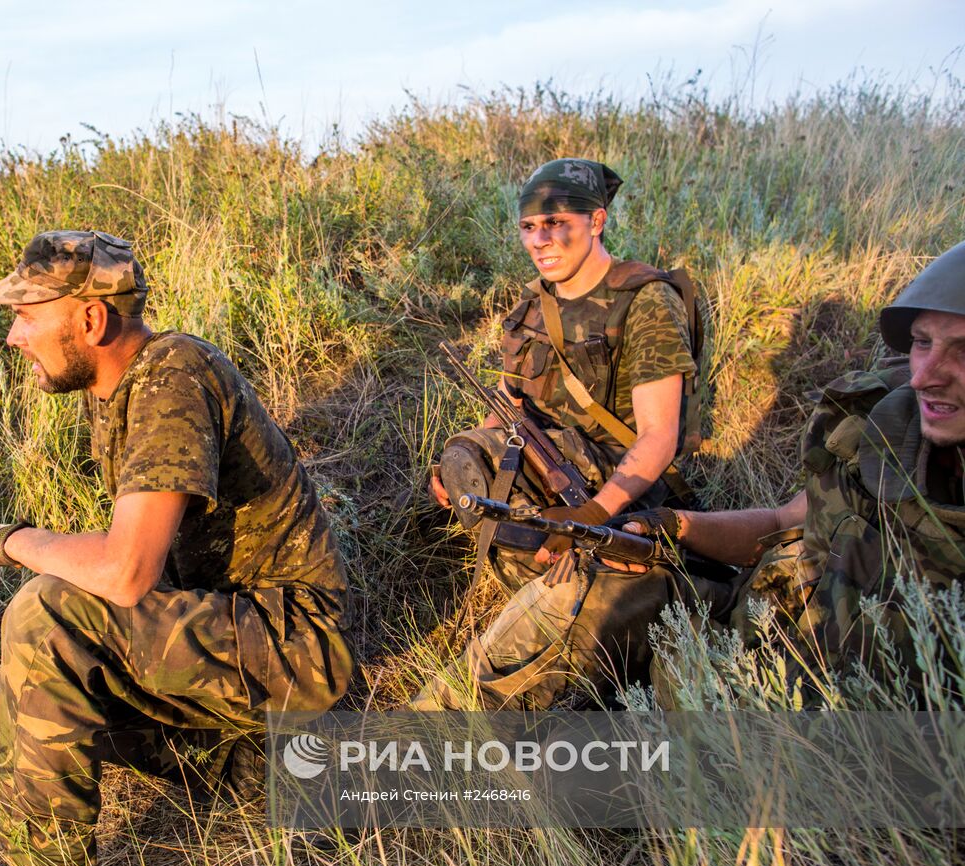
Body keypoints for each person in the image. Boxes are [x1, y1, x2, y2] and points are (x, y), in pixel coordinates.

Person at [0, 230, 355, 866]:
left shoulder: (173, 374)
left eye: (28, 314)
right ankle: (255, 768)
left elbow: (125, 569)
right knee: (14, 696)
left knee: (43, 615)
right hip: (232, 636)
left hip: (292, 645)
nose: (15, 335)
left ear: (90, 320)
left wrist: (14, 541)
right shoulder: (114, 389)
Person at [413, 240, 965, 711]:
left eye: (960, 349)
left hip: (831, 713)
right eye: (922, 343)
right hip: (749, 627)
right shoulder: (876, 428)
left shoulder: (645, 300)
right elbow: (784, 521)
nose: (927, 376)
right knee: (594, 579)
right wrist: (669, 527)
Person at [432, 158, 703, 590]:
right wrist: (463, 457)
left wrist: (592, 515)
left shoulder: (645, 300)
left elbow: (659, 435)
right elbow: (506, 406)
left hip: (618, 484)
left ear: (596, 221)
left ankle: (601, 574)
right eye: (528, 226)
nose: (540, 240)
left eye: (555, 222)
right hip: (544, 462)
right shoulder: (533, 304)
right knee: (466, 456)